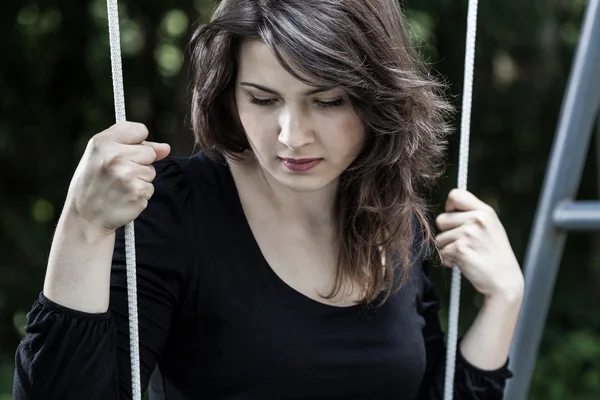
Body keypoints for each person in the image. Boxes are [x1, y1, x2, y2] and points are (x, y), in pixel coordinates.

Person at [13, 0, 524, 399]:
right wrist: (83, 224)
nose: (291, 136)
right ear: (229, 94)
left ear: (378, 99)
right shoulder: (175, 210)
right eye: (263, 99)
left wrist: (504, 301)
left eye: (327, 101)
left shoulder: (394, 220)